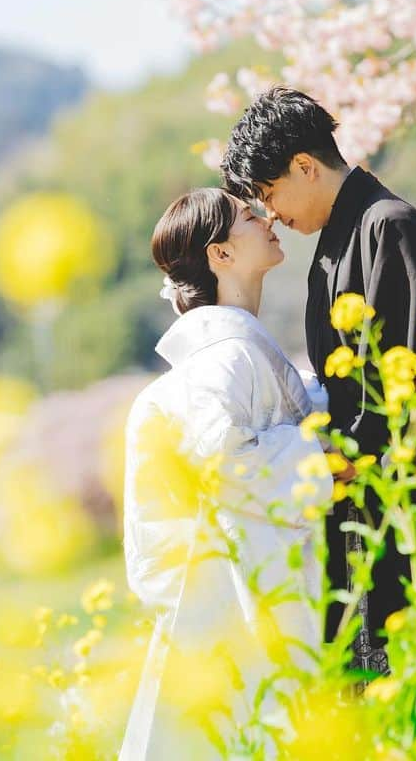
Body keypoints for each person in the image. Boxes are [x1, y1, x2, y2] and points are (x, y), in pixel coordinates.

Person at [221, 86, 416, 674]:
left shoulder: (391, 226)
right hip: (369, 506)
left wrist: (348, 456)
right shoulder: (335, 243)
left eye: (269, 195)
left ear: (305, 166)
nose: (272, 216)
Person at [120, 188, 332, 759]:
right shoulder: (226, 358)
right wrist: (330, 455)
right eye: (247, 216)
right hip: (247, 621)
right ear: (221, 255)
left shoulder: (231, 352)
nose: (267, 219)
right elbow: (227, 464)